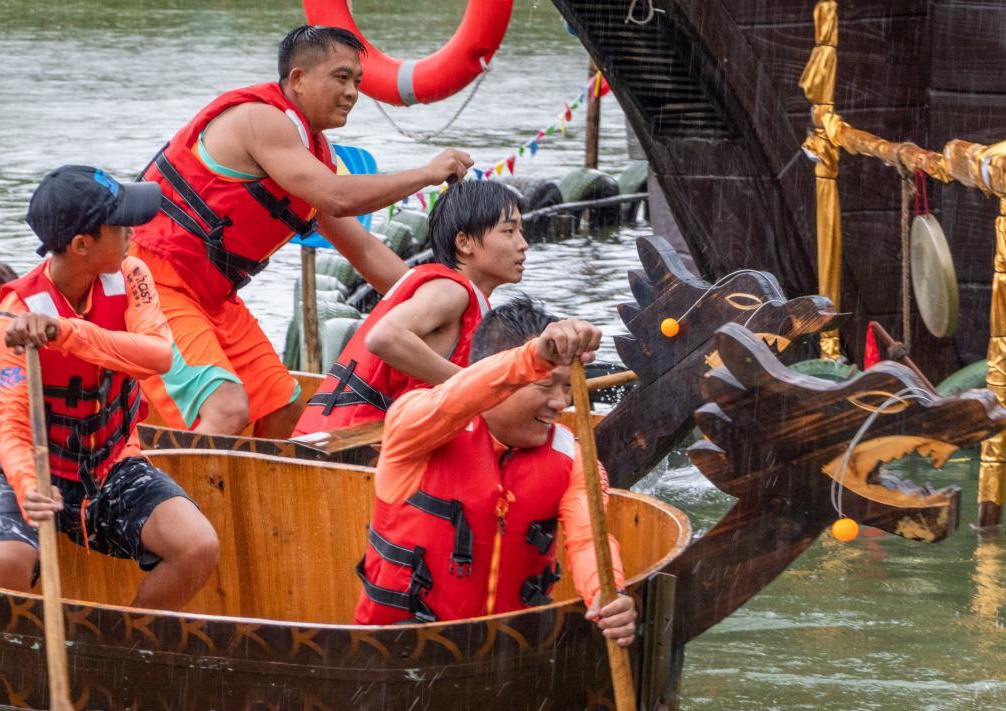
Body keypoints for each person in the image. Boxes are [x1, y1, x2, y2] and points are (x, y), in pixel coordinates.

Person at [131, 25, 474, 438]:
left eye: (358, 82)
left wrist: (450, 301)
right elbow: (337, 197)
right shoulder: (260, 121)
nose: (352, 93)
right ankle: (156, 501)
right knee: (226, 410)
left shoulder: (312, 157)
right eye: (341, 77)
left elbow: (363, 250)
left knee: (285, 409)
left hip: (213, 299)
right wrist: (426, 174)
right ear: (298, 79)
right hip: (153, 284)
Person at [0, 166, 219, 611]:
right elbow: (12, 424)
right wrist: (31, 486)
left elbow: (159, 355)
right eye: (120, 224)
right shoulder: (14, 316)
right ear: (82, 245)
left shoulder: (133, 273)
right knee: (8, 559)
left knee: (198, 545)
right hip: (35, 469)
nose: (132, 232)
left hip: (112, 463)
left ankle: (129, 650)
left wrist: (66, 333)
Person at [354, 297, 636, 647]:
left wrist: (608, 594)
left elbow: (589, 539)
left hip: (508, 657)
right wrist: (533, 357)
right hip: (398, 655)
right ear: (505, 376)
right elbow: (459, 396)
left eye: (566, 387)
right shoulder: (414, 424)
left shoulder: (573, 458)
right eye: (546, 384)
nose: (561, 403)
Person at [294, 180, 527, 436]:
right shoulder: (451, 291)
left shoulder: (445, 290)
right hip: (345, 445)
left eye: (521, 231)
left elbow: (366, 250)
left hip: (334, 435)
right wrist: (473, 388)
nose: (523, 244)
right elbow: (385, 337)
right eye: (509, 231)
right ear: (464, 243)